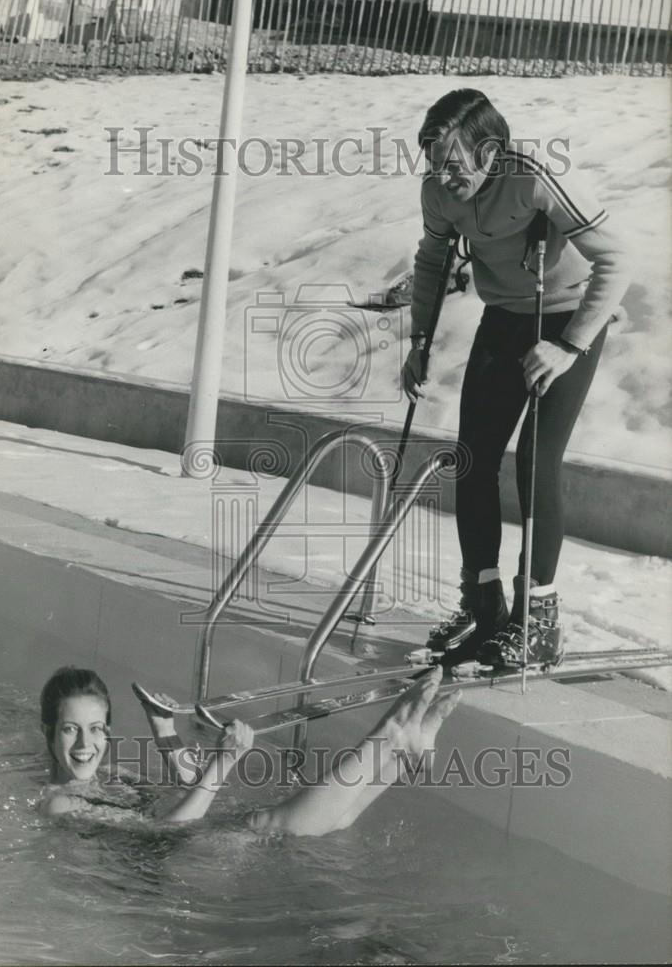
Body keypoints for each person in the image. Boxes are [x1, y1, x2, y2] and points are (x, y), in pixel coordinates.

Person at [402, 88, 630, 670]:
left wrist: (567, 347)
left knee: (534, 457)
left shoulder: (534, 176)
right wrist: (420, 344)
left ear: (491, 152)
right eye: (434, 163)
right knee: (473, 459)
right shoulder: (439, 193)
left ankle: (540, 620)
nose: (443, 177)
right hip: (505, 317)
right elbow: (432, 262)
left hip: (571, 319)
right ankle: (484, 608)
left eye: (454, 164)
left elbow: (617, 259)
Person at [39, 665, 460, 834]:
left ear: (108, 730)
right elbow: (169, 828)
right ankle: (391, 736)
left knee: (334, 819)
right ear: (48, 731)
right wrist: (224, 761)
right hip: (163, 877)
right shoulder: (59, 805)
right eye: (70, 730)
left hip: (185, 847)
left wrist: (163, 729)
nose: (85, 744)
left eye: (95, 729)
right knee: (276, 822)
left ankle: (401, 752)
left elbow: (188, 795)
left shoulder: (116, 778)